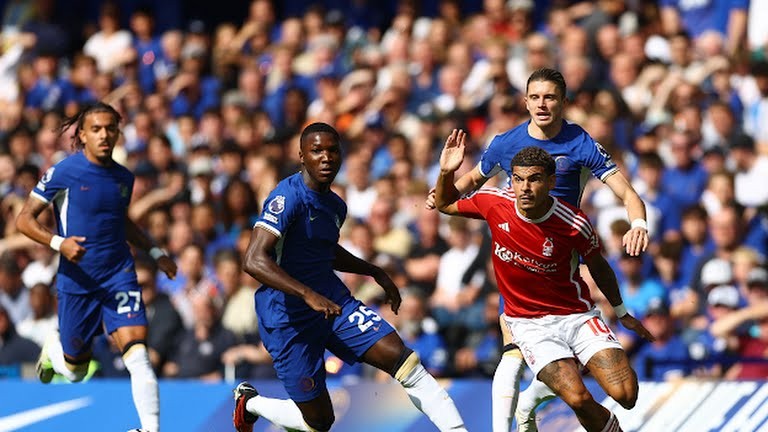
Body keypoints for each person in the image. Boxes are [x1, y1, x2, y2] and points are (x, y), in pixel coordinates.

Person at [426, 68, 649, 432]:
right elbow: (468, 186)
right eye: (536, 97)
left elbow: (627, 192)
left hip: (564, 250)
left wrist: (638, 224)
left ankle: (534, 397)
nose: (542, 104)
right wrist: (443, 183)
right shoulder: (505, 144)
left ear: (563, 101)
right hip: (515, 245)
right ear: (525, 101)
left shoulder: (580, 143)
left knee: (625, 393)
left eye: (550, 97)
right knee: (512, 357)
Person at [232, 122, 467, 432]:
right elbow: (253, 259)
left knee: (404, 360)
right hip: (287, 316)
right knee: (318, 422)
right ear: (302, 156)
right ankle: (250, 403)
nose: (326, 157)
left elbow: (325, 250)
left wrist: (374, 271)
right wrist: (306, 294)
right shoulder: (286, 197)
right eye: (317, 151)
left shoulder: (335, 205)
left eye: (332, 150)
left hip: (333, 303)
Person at [15, 102, 178, 432]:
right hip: (78, 280)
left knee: (138, 355)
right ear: (83, 135)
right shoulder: (64, 171)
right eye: (96, 129)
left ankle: (150, 429)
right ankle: (55, 352)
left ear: (118, 132)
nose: (105, 135)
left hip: (119, 274)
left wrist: (156, 250)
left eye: (110, 128)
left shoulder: (124, 177)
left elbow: (123, 222)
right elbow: (24, 219)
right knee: (76, 371)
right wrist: (60, 243)